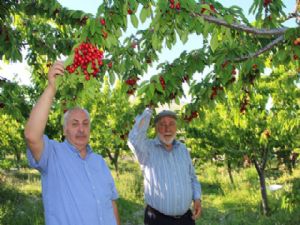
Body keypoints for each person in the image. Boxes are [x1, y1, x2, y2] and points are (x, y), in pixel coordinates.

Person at [24, 61, 120, 225]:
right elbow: (31, 135)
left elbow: (111, 202)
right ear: (64, 130)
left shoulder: (99, 161)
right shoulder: (53, 155)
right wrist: (51, 88)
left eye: (85, 124)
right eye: (74, 124)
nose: (81, 129)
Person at [128, 107, 202, 225]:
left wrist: (197, 199)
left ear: (176, 128)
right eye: (162, 124)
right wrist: (148, 111)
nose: (167, 128)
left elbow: (192, 177)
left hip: (186, 219)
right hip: (158, 220)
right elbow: (133, 140)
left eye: (171, 124)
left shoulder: (182, 149)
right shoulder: (147, 149)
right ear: (156, 128)